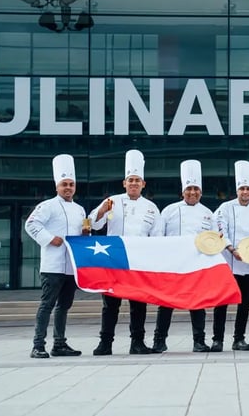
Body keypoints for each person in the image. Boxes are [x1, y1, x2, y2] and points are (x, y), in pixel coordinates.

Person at [90, 149, 162, 356]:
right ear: (124, 183)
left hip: (139, 261)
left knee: (138, 305)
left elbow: (157, 238)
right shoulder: (112, 201)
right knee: (110, 305)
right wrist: (102, 211)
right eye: (130, 180)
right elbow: (94, 224)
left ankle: (137, 343)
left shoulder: (151, 208)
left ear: (143, 184)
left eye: (137, 180)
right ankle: (105, 343)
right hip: (114, 259)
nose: (133, 183)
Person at [153, 159, 219, 353]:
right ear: (182, 191)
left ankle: (199, 341)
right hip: (172, 264)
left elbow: (214, 240)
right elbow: (158, 237)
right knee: (166, 304)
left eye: (196, 189)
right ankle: (159, 340)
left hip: (196, 264)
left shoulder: (208, 214)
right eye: (189, 189)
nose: (192, 193)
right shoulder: (169, 211)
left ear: (201, 191)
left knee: (197, 304)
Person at [25, 154, 86, 359]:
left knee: (64, 306)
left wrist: (85, 235)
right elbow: (31, 224)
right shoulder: (47, 206)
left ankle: (59, 343)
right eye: (64, 184)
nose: (68, 188)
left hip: (71, 267)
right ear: (57, 187)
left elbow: (79, 235)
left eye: (71, 184)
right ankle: (37, 345)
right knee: (47, 305)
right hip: (52, 266)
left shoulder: (79, 210)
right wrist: (50, 238)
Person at [212, 160, 249, 352]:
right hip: (228, 261)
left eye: (248, 189)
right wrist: (231, 249)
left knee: (244, 303)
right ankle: (217, 339)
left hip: (248, 263)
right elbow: (220, 231)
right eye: (242, 188)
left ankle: (239, 339)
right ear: (237, 190)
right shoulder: (224, 208)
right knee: (222, 302)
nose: (245, 192)